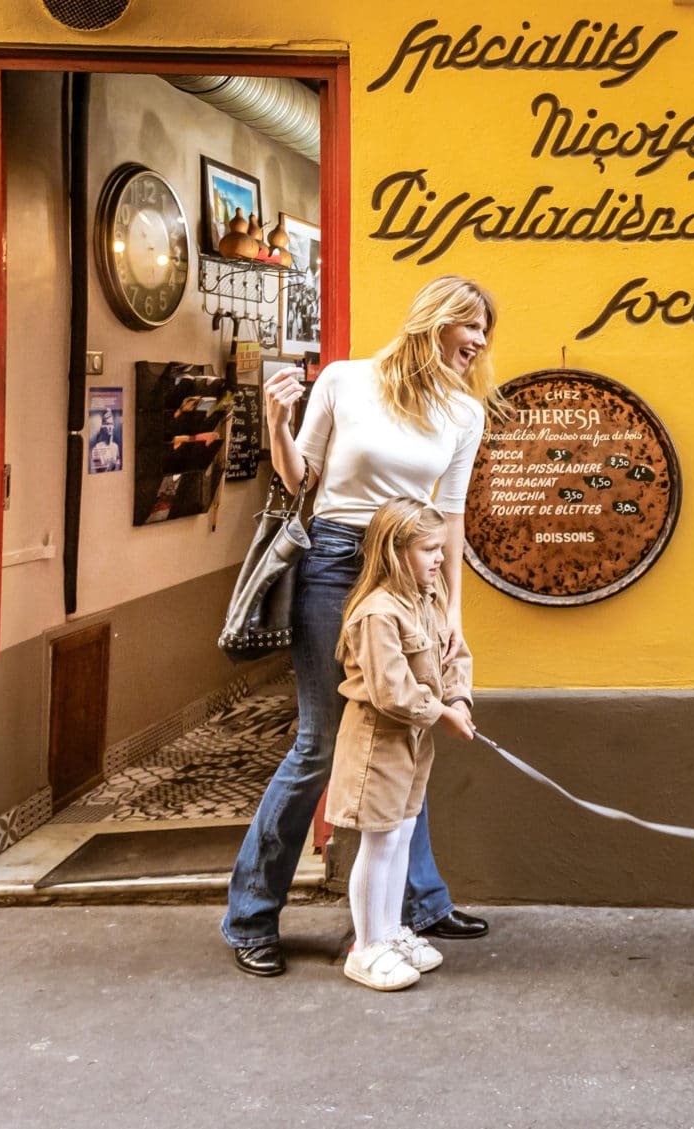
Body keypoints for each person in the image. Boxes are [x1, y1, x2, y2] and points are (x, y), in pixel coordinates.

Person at [221, 275, 501, 977]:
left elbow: (451, 518)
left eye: (485, 330)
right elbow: (301, 480)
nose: (479, 341)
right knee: (320, 743)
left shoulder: (464, 412)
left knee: (405, 730)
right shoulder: (345, 381)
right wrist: (276, 425)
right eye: (471, 325)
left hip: (408, 574)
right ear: (435, 320)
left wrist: (452, 612)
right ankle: (250, 915)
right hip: (334, 561)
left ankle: (416, 905)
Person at [325, 498, 477, 991]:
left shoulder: (429, 598)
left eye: (441, 548)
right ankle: (366, 948)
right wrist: (442, 715)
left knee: (403, 834)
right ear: (395, 551)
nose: (440, 559)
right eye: (429, 549)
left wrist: (459, 699)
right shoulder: (377, 613)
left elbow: (455, 655)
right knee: (381, 839)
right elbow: (392, 691)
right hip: (378, 741)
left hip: (414, 739)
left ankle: (389, 932)